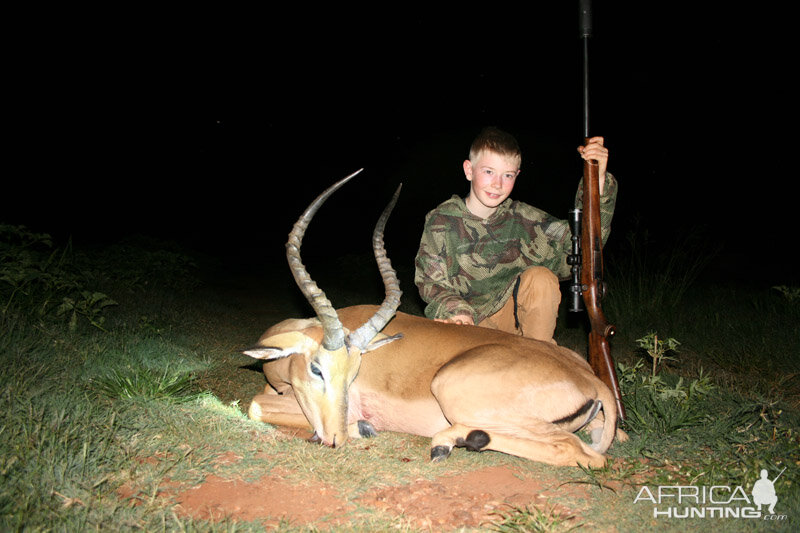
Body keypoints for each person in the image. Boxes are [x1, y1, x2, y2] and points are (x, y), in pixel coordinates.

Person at [414, 126, 617, 343]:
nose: (498, 184)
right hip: (469, 322)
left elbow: (583, 245)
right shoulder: (442, 220)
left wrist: (598, 178)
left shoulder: (524, 218)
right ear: (469, 170)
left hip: (514, 323)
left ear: (517, 175)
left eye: (508, 175)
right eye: (489, 171)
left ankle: (538, 356)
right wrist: (456, 311)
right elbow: (430, 282)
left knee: (541, 279)